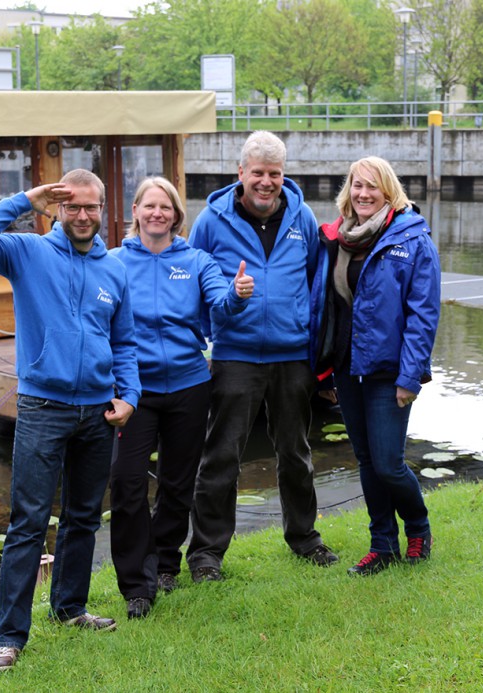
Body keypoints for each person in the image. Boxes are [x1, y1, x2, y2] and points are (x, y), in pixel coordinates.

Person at [0, 169, 141, 671]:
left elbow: (124, 342)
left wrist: (130, 396)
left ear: (103, 209)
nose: (82, 215)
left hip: (99, 412)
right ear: (57, 209)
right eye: (72, 206)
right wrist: (24, 199)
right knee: (29, 522)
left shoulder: (114, 269)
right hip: (43, 407)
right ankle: (8, 637)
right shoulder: (28, 252)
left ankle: (70, 607)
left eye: (91, 207)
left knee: (83, 517)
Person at [186, 130, 338, 582]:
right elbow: (193, 283)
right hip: (235, 354)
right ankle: (206, 554)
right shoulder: (210, 221)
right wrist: (205, 337)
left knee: (296, 452)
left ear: (283, 174)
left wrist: (314, 342)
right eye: (258, 173)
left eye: (275, 173)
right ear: (241, 173)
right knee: (221, 456)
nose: (266, 182)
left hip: (292, 355)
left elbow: (314, 280)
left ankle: (304, 537)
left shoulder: (301, 216)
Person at [109, 176, 253, 619]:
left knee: (177, 483)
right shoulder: (114, 261)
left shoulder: (195, 260)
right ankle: (137, 584)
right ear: (135, 211)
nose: (158, 213)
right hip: (134, 390)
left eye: (166, 207)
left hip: (189, 386)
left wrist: (236, 295)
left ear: (176, 215)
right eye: (149, 205)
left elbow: (219, 305)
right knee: (127, 483)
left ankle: (166, 564)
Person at [310, 155, 440, 576]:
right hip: (347, 367)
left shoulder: (412, 239)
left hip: (389, 370)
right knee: (366, 461)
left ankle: (418, 527)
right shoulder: (338, 238)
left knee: (388, 463)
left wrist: (410, 377)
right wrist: (322, 369)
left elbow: (423, 314)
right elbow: (326, 307)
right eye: (357, 185)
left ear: (389, 191)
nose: (363, 193)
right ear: (348, 190)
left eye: (372, 186)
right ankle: (381, 545)